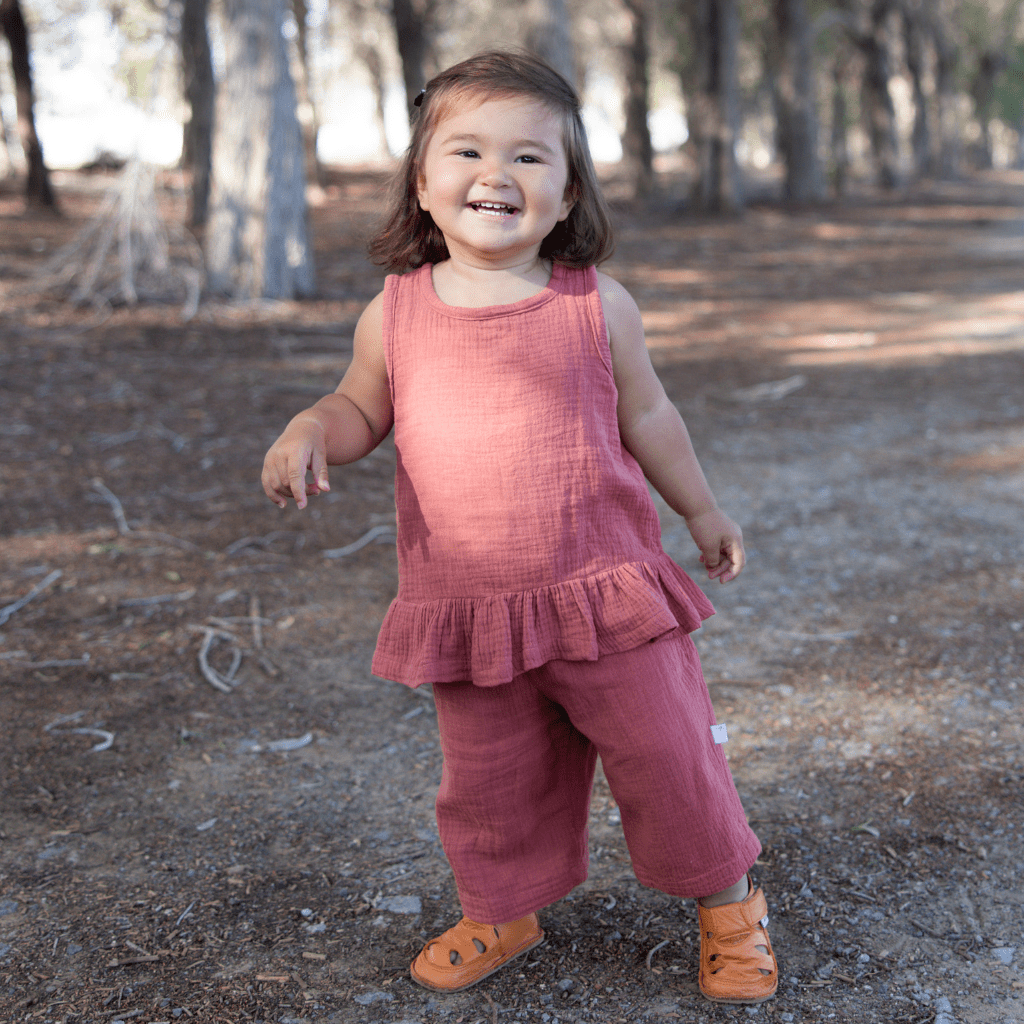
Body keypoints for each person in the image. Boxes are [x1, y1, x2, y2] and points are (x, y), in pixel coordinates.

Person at [262, 49, 778, 1006]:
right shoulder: (395, 314)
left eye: (529, 157)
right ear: (422, 184)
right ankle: (503, 908)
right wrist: (310, 428)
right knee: (489, 783)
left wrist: (700, 509)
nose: (495, 173)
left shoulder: (596, 305)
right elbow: (359, 409)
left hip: (604, 593)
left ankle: (728, 903)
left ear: (567, 190)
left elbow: (650, 415)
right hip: (470, 607)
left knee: (669, 756)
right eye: (466, 150)